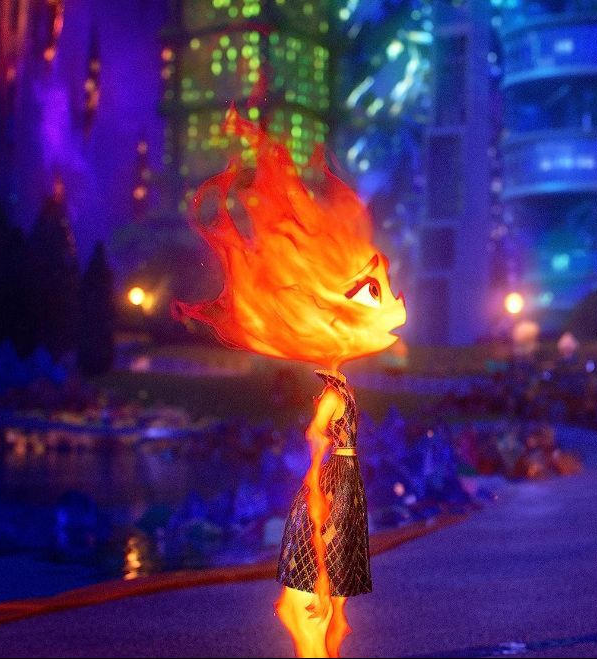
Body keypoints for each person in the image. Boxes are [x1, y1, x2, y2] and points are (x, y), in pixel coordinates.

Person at [174, 110, 406, 658]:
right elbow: (320, 439)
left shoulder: (337, 396)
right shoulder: (336, 395)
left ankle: (323, 638)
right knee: (322, 562)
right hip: (334, 486)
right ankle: (317, 639)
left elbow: (320, 439)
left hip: (335, 487)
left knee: (328, 561)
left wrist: (321, 473)